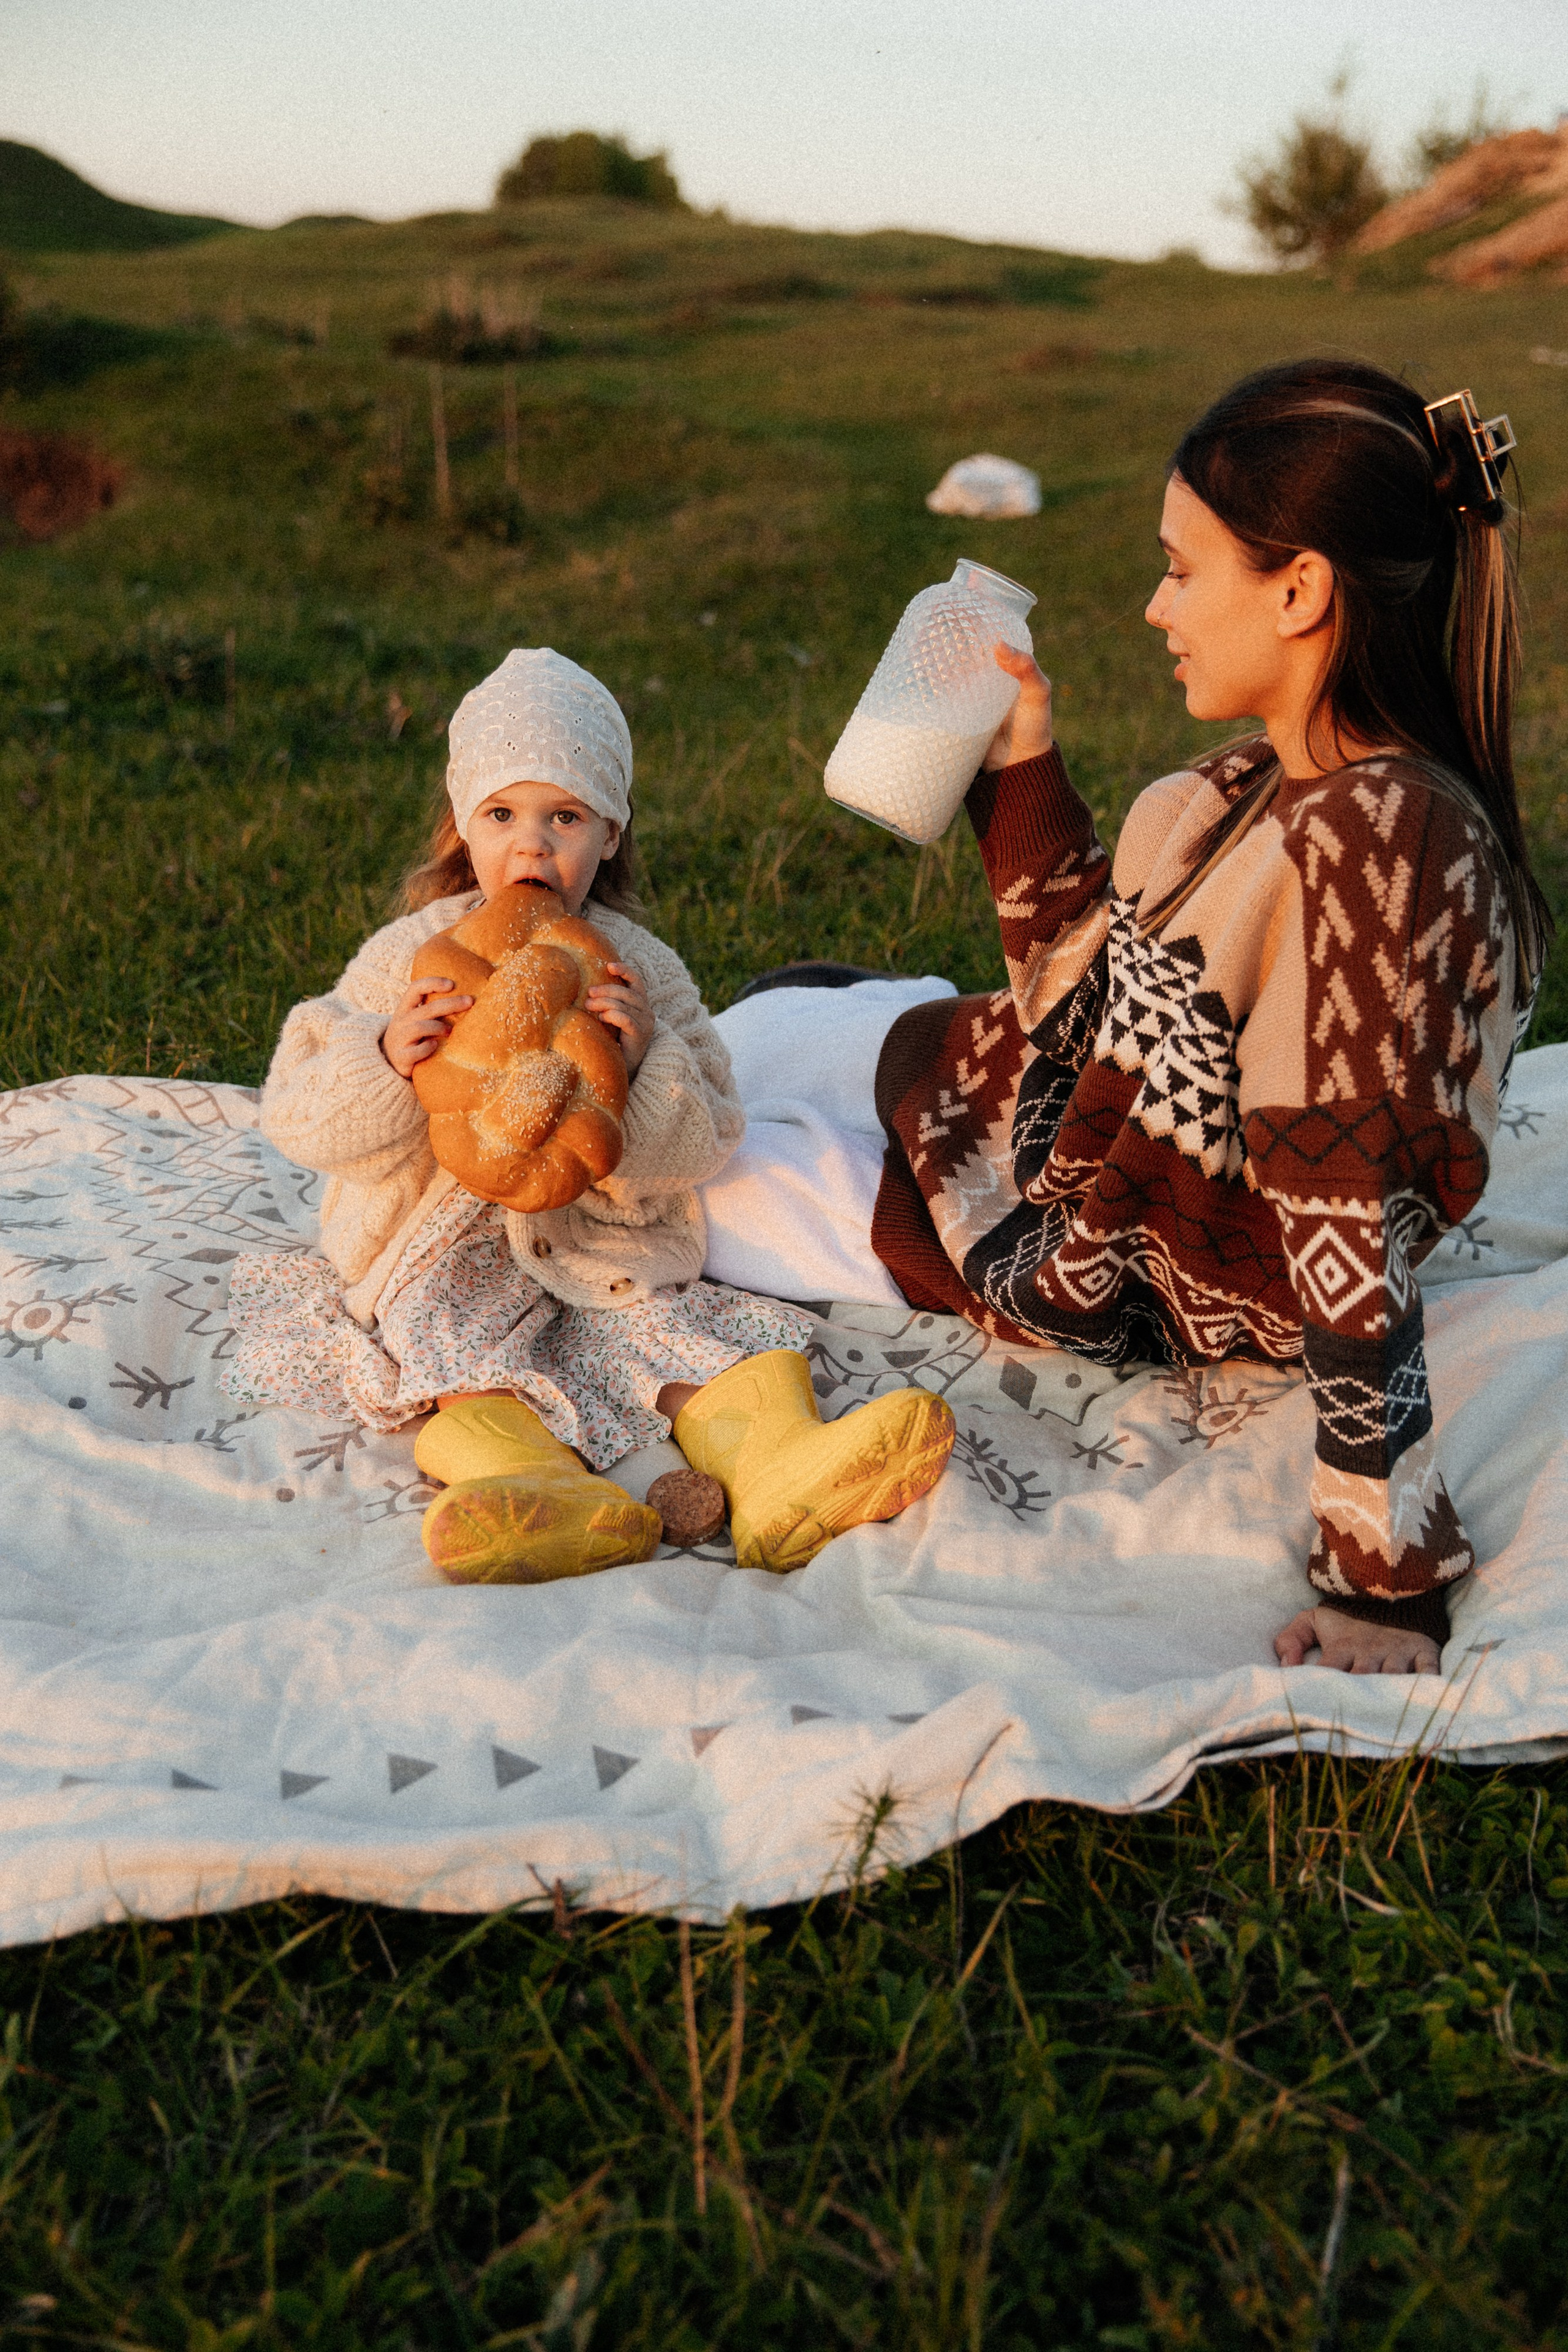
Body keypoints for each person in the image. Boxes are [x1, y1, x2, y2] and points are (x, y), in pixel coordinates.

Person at [872, 361, 1548, 1676]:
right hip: (1133, 1158)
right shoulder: (1258, 783)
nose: (1150, 605)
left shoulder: (1379, 837)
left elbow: (1343, 1216)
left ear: (1298, 588)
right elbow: (1089, 1006)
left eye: (1181, 569)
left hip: (1148, 1265)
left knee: (840, 1058)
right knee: (861, 1021)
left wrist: (1381, 1576)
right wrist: (1023, 761)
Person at [225, 647, 954, 1582]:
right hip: (438, 1255)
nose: (531, 846)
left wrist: (652, 1058)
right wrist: (382, 1059)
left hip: (599, 1246)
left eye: (563, 817)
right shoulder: (408, 960)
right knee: (464, 1369)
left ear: (611, 833)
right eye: (502, 815)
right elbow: (297, 1114)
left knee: (708, 1344)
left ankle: (783, 1467)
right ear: (460, 825)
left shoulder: (639, 972)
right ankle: (529, 1488)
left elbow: (710, 1137)